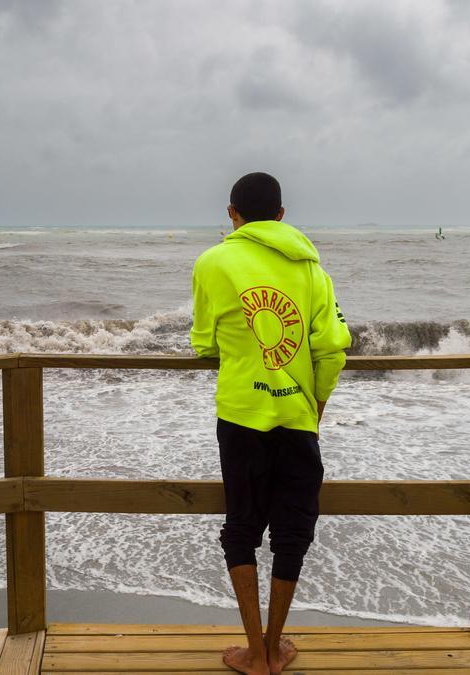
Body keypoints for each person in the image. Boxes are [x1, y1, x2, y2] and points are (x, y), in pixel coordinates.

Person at [190, 172, 351, 674]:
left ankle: (254, 651)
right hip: (297, 414)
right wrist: (315, 404)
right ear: (281, 215)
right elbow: (331, 349)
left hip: (240, 413)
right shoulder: (313, 269)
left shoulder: (214, 261)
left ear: (231, 213)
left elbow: (203, 343)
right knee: (293, 528)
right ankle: (276, 643)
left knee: (241, 525)